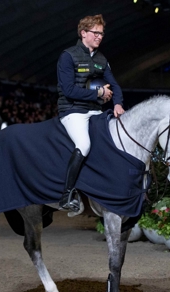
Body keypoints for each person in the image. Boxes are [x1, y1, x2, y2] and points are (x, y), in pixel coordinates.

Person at [56, 14, 125, 211]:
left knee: (112, 141)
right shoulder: (67, 56)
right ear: (83, 33)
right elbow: (68, 90)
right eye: (96, 33)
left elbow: (115, 85)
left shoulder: (102, 59)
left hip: (95, 110)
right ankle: (67, 194)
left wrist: (118, 104)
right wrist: (99, 92)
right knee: (84, 144)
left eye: (102, 34)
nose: (100, 37)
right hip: (72, 110)